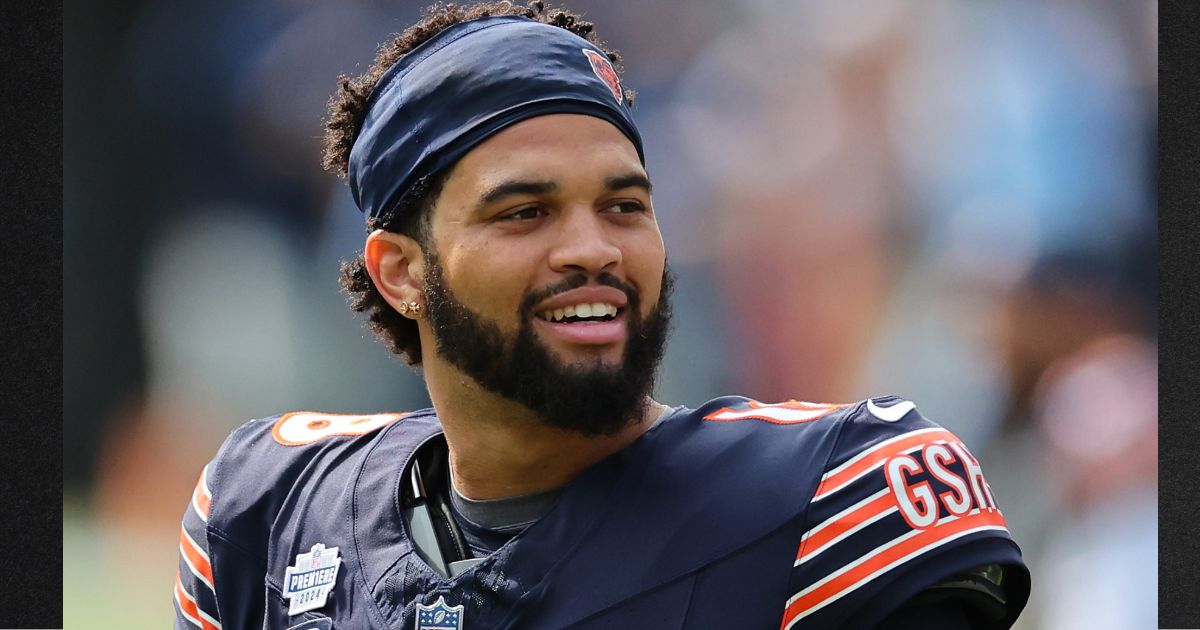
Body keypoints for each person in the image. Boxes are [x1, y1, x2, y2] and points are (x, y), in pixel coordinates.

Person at [173, 2, 1030, 628]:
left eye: (624, 206)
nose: (594, 248)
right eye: (524, 213)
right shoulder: (269, 518)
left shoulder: (835, 499)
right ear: (401, 272)